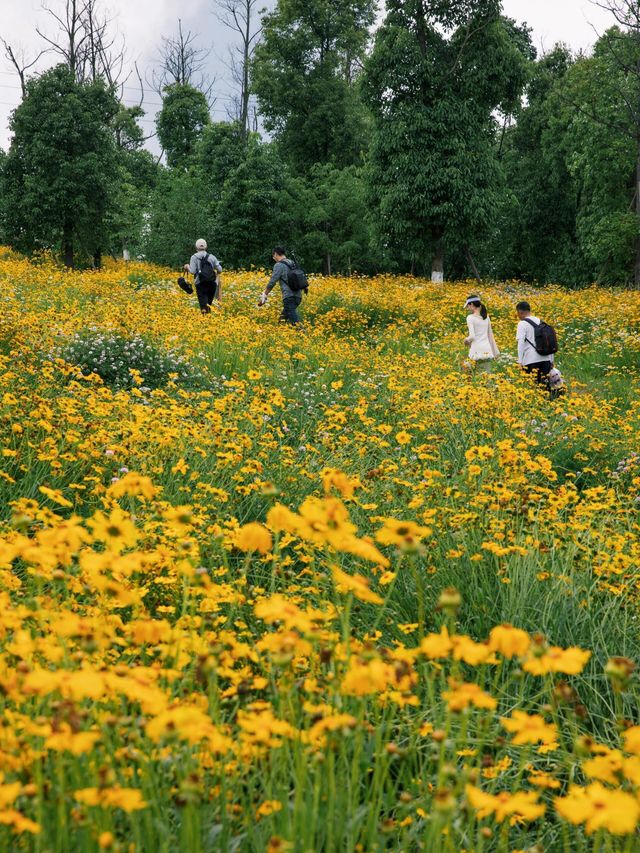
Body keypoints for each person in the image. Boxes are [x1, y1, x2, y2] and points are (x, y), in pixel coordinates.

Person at [258, 247, 302, 325]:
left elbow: (272, 281)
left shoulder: (279, 265)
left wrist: (265, 294)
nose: (273, 258)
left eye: (273, 256)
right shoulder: (292, 262)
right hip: (298, 296)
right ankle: (281, 332)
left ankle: (303, 334)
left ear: (276, 254)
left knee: (295, 323)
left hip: (289, 297)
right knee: (282, 320)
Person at [515, 301, 554, 385]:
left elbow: (521, 342)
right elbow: (549, 341)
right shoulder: (541, 321)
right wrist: (551, 360)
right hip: (546, 359)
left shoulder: (522, 323)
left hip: (531, 360)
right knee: (545, 387)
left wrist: (520, 361)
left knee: (532, 387)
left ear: (520, 312)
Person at [183, 239, 222, 314]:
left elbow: (193, 271)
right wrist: (216, 277)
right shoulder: (212, 257)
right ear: (206, 247)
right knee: (209, 305)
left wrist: (187, 266)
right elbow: (220, 269)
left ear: (196, 247)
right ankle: (209, 320)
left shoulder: (194, 257)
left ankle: (205, 321)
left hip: (200, 283)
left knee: (203, 306)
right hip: (212, 283)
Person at [464, 295, 499, 370]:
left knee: (471, 373)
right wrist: (494, 351)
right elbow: (490, 335)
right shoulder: (486, 317)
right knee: (486, 375)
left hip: (476, 350)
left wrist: (466, 340)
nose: (467, 308)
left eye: (468, 306)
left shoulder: (470, 317)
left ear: (472, 305)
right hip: (487, 349)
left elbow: (472, 336)